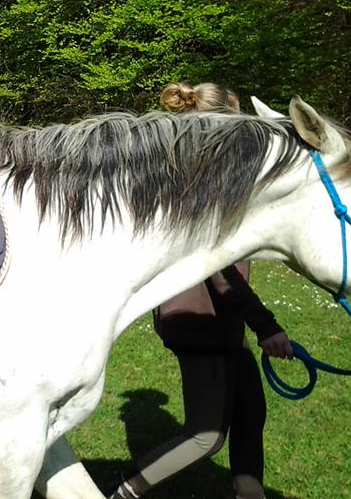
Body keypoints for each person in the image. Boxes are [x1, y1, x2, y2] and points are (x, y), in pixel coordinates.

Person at [111, 81, 294, 499]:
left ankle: (250, 493)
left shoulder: (205, 171)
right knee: (205, 436)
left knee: (249, 414)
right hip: (199, 322)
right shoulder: (202, 179)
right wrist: (266, 326)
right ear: (226, 122)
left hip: (220, 320)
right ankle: (121, 491)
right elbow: (219, 271)